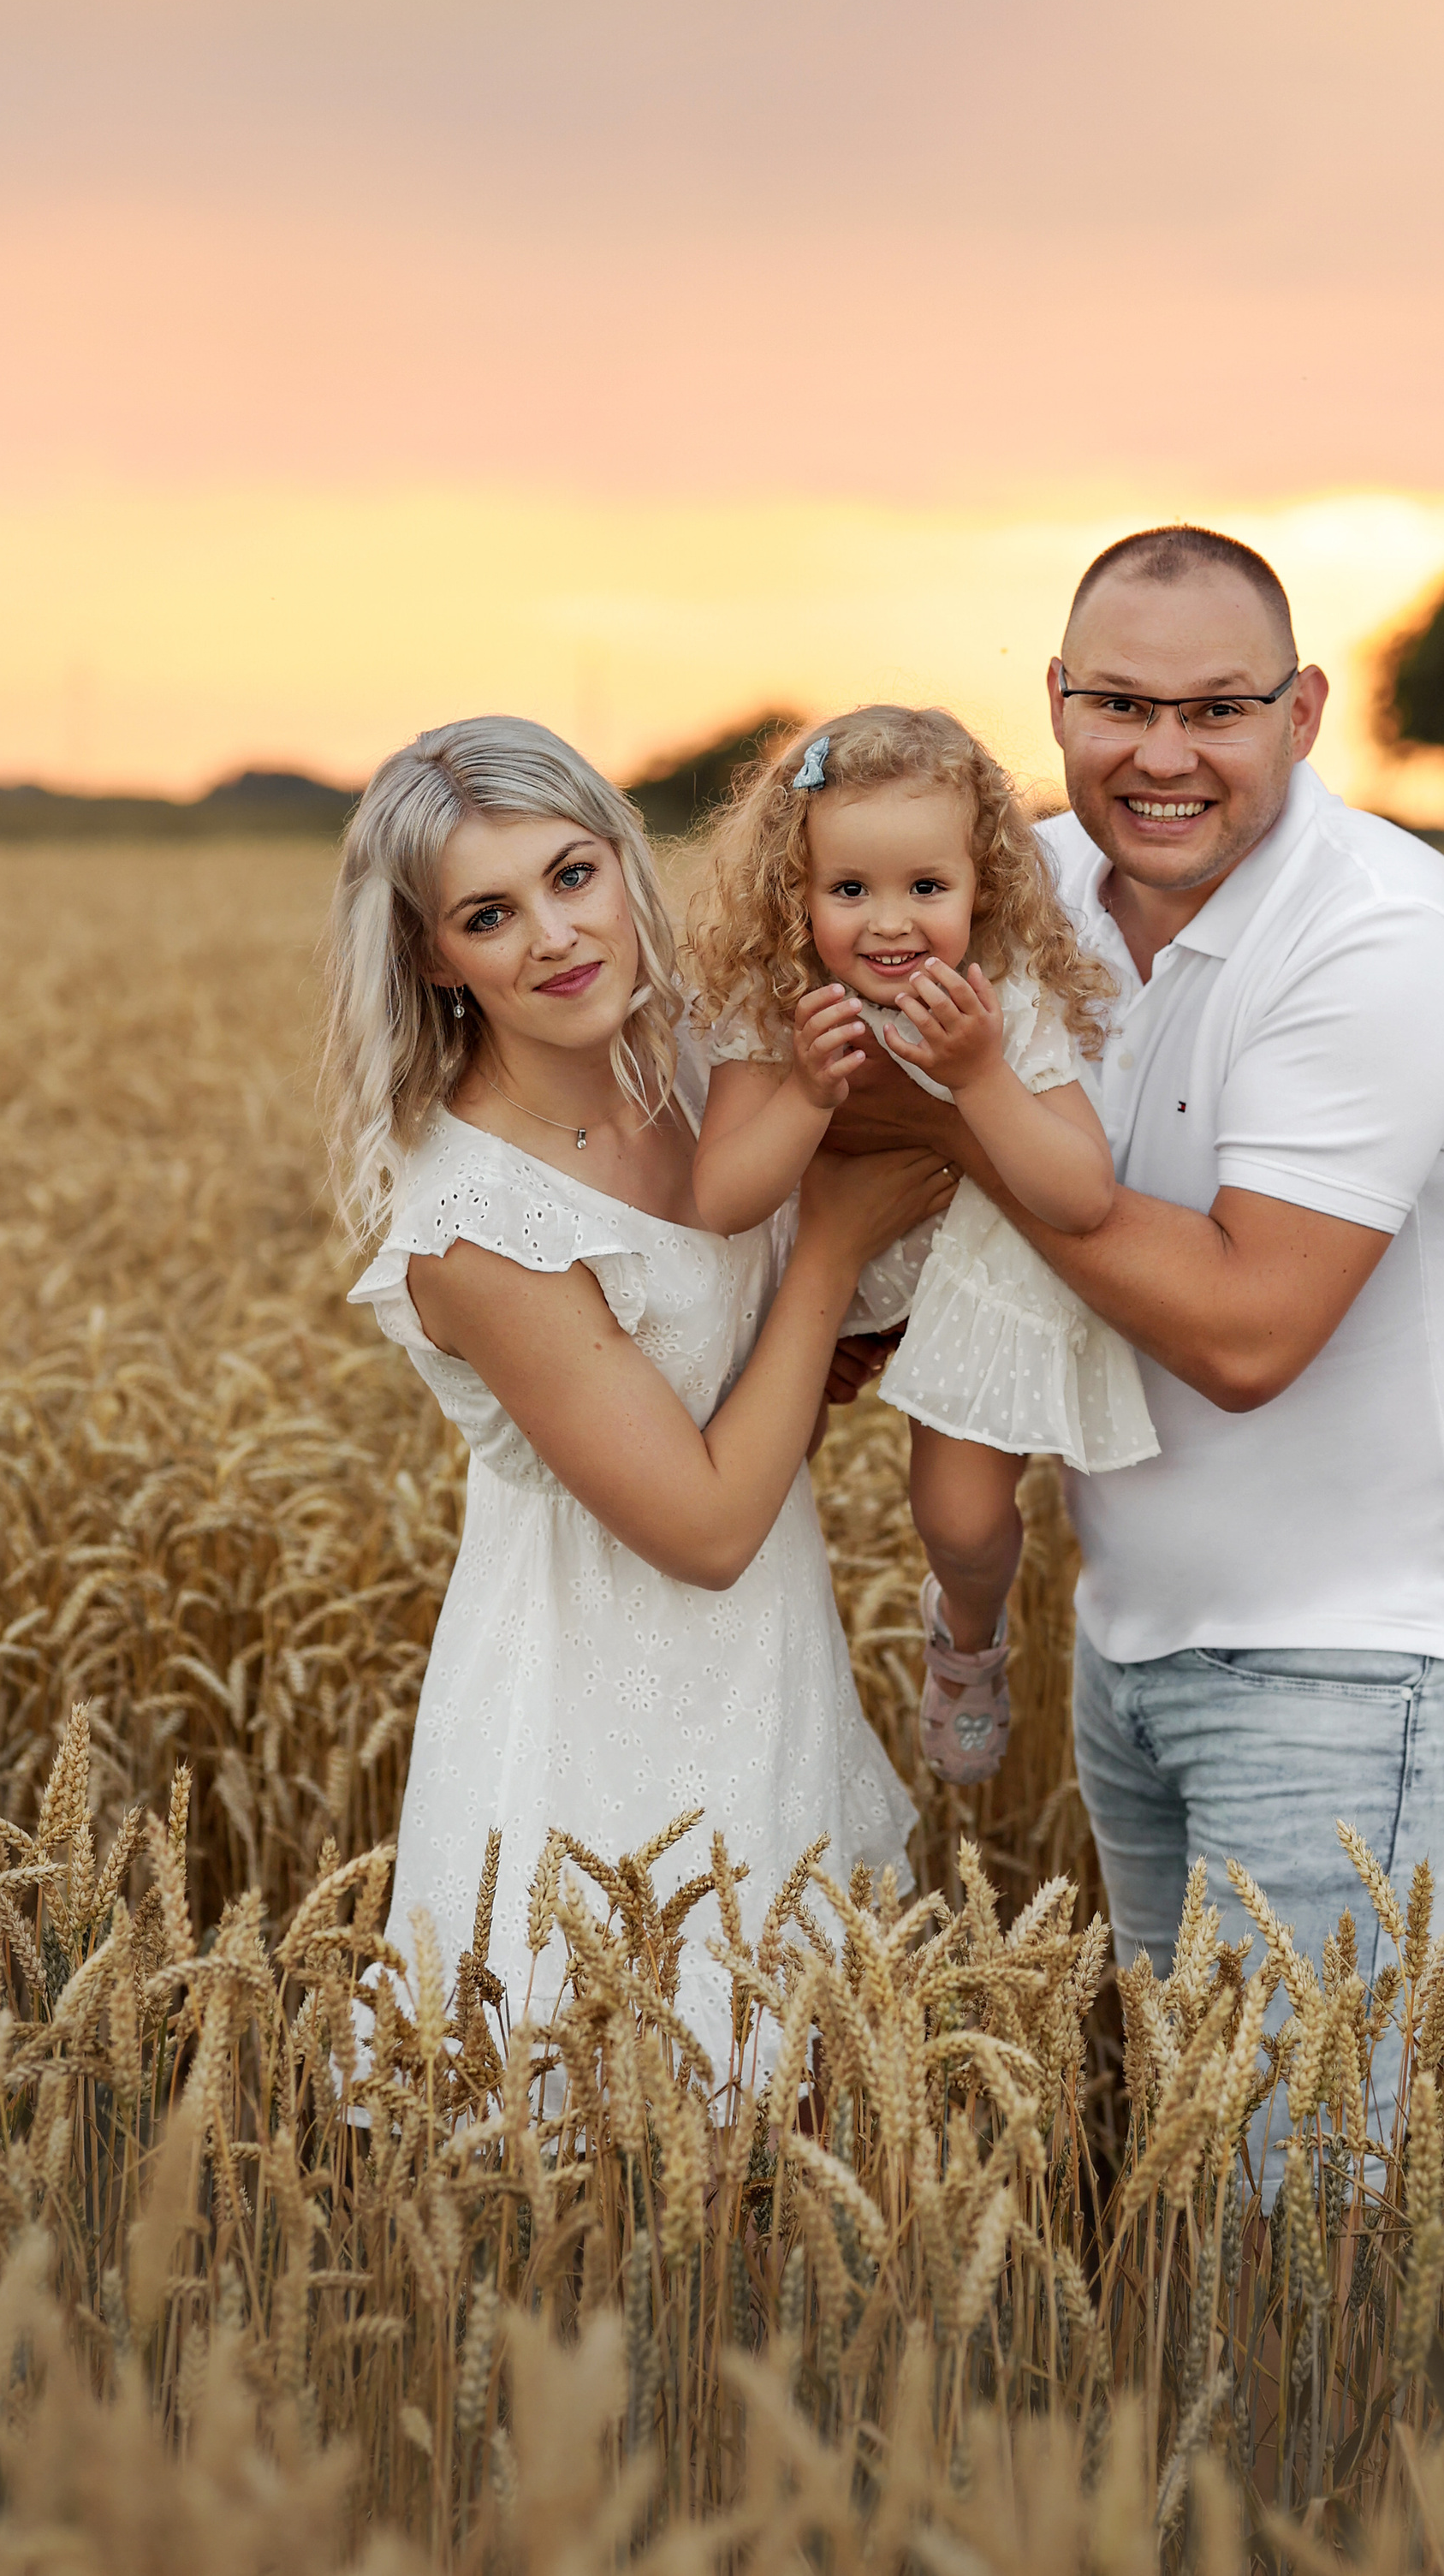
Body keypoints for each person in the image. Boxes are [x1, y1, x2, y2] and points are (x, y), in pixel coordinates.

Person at [830, 530, 1444, 2127]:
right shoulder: (1026, 883)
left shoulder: (1381, 936)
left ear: (1302, 713)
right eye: (1118, 703)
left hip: (1355, 1662)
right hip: (1130, 1631)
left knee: (1294, 2205)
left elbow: (1244, 1329)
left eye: (1217, 708)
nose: (1162, 755)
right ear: (1058, 704)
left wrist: (954, 1131)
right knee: (1186, 2145)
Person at [320, 714, 943, 2069]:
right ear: (435, 955)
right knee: (618, 2129)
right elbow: (708, 1529)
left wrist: (823, 1323)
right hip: (592, 1716)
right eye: (491, 913)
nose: (553, 934)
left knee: (794, 2114)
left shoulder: (700, 1064)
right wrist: (830, 1252)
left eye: (572, 874)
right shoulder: (481, 1222)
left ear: (620, 859)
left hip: (771, 1669)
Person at [686, 705, 1156, 1787]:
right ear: (794, 894)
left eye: (925, 888)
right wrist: (807, 1088)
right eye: (849, 890)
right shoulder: (773, 1003)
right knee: (749, 1469)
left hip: (969, 1277)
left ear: (981, 885)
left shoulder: (1007, 1000)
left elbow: (1081, 1196)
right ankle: (738, 1669)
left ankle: (967, 1640)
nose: (888, 922)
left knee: (962, 1514)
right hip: (823, 1268)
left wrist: (982, 1073)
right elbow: (721, 1194)